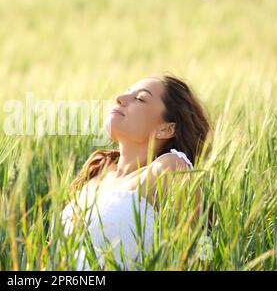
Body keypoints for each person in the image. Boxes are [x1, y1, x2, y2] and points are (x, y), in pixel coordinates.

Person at [60, 73, 211, 270]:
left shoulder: (170, 168)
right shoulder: (99, 171)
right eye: (126, 92)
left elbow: (201, 254)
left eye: (140, 98)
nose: (120, 99)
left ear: (166, 129)